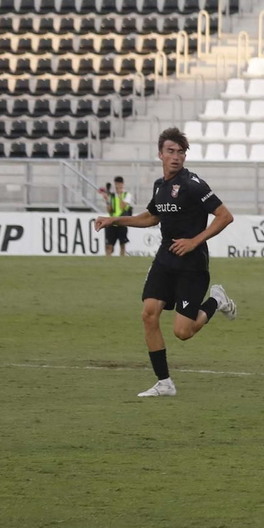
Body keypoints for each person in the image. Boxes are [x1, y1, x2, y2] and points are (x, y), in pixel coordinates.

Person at [93, 127, 237, 397]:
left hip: (192, 265)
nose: (176, 156)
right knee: (148, 314)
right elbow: (151, 217)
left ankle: (216, 300)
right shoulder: (160, 186)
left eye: (181, 152)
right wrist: (115, 220)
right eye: (171, 151)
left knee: (183, 332)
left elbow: (224, 216)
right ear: (160, 154)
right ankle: (164, 383)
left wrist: (194, 241)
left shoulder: (194, 185)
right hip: (165, 259)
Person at [98, 176, 130, 256]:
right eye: (116, 184)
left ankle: (122, 260)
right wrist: (107, 200)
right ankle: (108, 261)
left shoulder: (126, 195)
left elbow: (122, 206)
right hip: (112, 221)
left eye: (119, 184)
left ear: (122, 184)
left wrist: (119, 195)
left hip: (122, 222)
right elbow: (109, 210)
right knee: (109, 245)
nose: (117, 186)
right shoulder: (111, 196)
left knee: (122, 244)